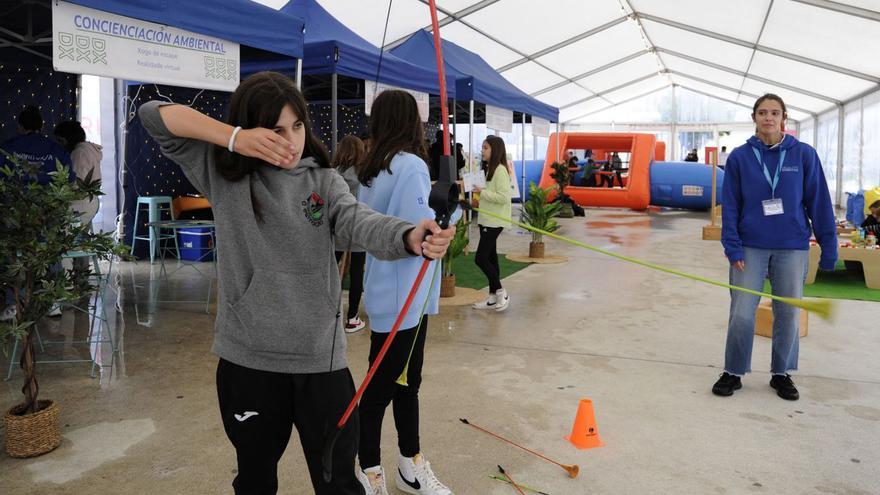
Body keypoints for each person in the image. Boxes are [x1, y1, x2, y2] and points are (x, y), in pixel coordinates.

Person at [137, 72, 454, 495]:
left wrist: (409, 236)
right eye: (276, 130)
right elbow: (153, 115)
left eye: (298, 126)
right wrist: (235, 139)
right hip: (248, 361)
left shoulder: (323, 182)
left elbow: (358, 221)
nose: (290, 141)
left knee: (339, 482)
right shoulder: (223, 173)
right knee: (255, 479)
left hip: (320, 364)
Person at [356, 90, 456, 495]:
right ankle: (369, 470)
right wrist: (448, 211)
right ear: (409, 122)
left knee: (403, 381)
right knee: (386, 387)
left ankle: (409, 464)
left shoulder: (372, 166)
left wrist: (444, 205)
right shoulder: (410, 165)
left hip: (389, 293)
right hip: (405, 300)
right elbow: (422, 227)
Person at [713, 93, 837, 402]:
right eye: (763, 112)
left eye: (775, 113)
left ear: (784, 117)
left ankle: (781, 374)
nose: (769, 118)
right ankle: (733, 370)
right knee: (742, 312)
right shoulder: (741, 157)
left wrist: (829, 245)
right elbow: (730, 206)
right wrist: (733, 247)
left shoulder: (804, 155)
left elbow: (818, 202)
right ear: (754, 117)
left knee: (788, 313)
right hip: (750, 247)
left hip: (791, 247)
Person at [471, 135, 512, 312]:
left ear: (495, 149)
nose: (482, 150)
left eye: (485, 147)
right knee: (491, 257)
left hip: (495, 221)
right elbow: (488, 195)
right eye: (482, 147)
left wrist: (483, 192)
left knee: (480, 258)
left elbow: (503, 197)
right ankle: (492, 297)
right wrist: (477, 196)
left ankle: (501, 291)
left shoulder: (501, 170)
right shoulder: (489, 169)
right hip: (486, 219)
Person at [332, 134, 368, 333]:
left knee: (331, 270)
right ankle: (352, 317)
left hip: (336, 227)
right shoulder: (364, 175)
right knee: (356, 274)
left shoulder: (332, 173)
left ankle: (329, 313)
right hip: (358, 226)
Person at [1, 106, 74, 184]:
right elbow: (69, 180)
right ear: (42, 127)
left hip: (15, 195)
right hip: (49, 195)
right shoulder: (59, 151)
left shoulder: (6, 148)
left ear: (20, 126)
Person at [54, 120, 102, 228]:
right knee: (81, 240)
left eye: (61, 141)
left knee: (72, 241)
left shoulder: (79, 152)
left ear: (69, 139)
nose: (60, 145)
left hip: (80, 203)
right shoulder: (88, 149)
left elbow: (77, 183)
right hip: (90, 201)